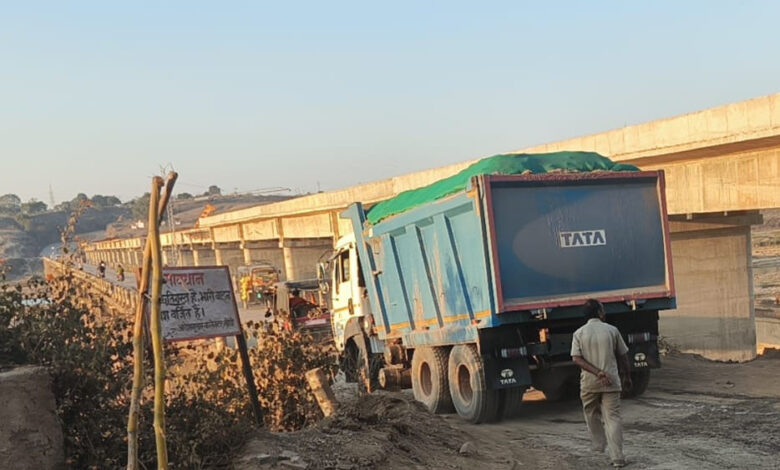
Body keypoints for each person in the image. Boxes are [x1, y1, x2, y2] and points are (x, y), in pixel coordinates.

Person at [571, 299, 632, 468]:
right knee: (612, 418)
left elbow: (576, 358)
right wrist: (627, 376)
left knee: (590, 412)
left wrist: (597, 373)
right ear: (599, 313)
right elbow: (623, 356)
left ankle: (598, 443)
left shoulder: (579, 333)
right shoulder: (612, 330)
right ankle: (618, 457)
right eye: (602, 310)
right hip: (611, 381)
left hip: (589, 383)